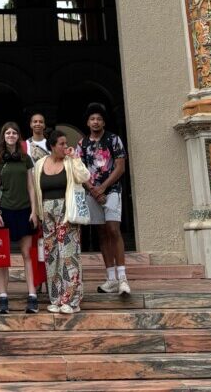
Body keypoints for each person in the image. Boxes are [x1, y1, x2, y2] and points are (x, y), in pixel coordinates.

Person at [34, 129, 91, 314]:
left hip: (66, 212)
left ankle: (72, 300)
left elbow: (84, 177)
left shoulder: (70, 162)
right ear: (52, 146)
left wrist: (75, 158)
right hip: (47, 214)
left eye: (66, 143)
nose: (65, 147)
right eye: (61, 144)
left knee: (68, 256)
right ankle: (57, 298)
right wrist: (37, 213)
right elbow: (36, 190)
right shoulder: (41, 163)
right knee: (52, 257)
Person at [76, 102, 130, 295]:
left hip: (112, 190)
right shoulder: (82, 144)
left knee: (113, 229)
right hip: (92, 193)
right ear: (88, 122)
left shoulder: (114, 140)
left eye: (99, 119)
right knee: (101, 233)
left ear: (104, 122)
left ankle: (123, 277)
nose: (95, 122)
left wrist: (103, 188)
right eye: (92, 119)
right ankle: (111, 279)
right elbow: (79, 171)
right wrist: (92, 189)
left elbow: (120, 167)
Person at [0, 121, 39, 314]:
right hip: (5, 211)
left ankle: (32, 295)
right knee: (2, 257)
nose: (11, 135)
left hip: (24, 210)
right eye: (7, 133)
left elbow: (31, 186)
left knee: (27, 254)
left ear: (19, 136)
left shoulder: (26, 159)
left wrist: (34, 211)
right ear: (3, 137)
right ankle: (3, 297)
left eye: (14, 133)